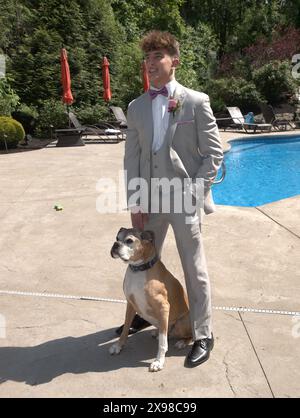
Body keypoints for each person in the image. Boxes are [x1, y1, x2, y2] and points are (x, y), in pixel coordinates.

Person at [117, 30, 223, 368]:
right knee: (143, 262)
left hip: (184, 198)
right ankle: (142, 313)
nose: (150, 64)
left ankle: (203, 332)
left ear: (174, 61)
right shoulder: (135, 107)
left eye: (157, 57)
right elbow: (131, 158)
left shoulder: (195, 101)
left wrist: (195, 191)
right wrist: (135, 202)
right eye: (147, 59)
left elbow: (213, 154)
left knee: (194, 268)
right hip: (150, 201)